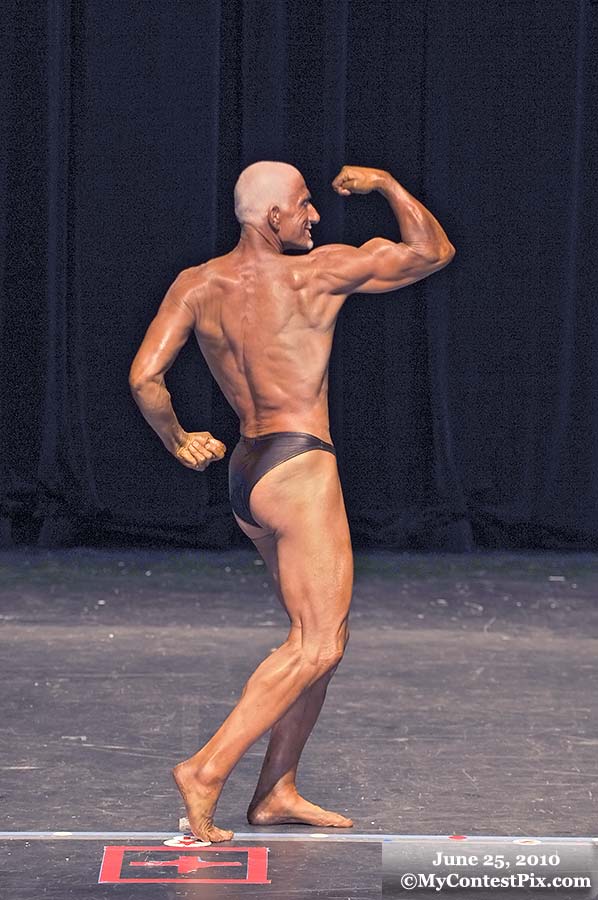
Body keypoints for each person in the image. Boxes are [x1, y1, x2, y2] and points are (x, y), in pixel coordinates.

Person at [129, 161, 455, 841]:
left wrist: (178, 439)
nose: (314, 217)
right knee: (318, 643)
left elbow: (145, 378)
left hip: (248, 471)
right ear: (272, 216)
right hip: (300, 466)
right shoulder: (315, 274)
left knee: (318, 639)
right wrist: (386, 185)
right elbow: (432, 252)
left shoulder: (197, 284)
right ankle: (205, 769)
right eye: (304, 205)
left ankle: (276, 789)